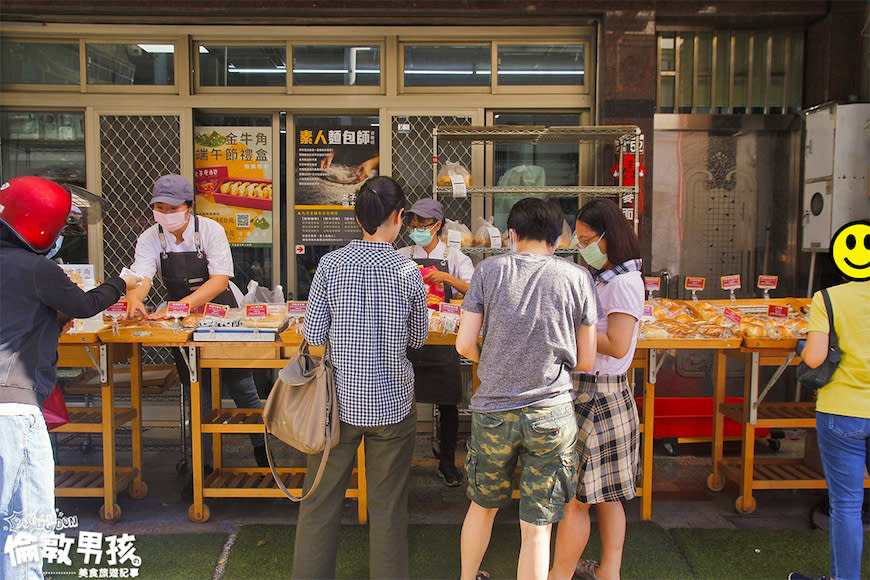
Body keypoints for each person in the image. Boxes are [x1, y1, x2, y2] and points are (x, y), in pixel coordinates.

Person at [0, 176, 141, 580]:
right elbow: (83, 304)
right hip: (13, 413)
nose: (62, 236)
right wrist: (122, 282)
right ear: (38, 225)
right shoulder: (35, 269)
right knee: (24, 529)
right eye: (61, 228)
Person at [292, 176, 429, 579]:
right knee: (388, 505)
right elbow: (418, 338)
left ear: (356, 217)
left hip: (336, 404)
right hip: (392, 403)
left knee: (319, 500)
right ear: (400, 217)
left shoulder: (331, 265)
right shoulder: (408, 271)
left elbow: (314, 335)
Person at [455, 197, 598, 580]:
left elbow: (464, 344)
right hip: (551, 413)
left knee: (482, 507)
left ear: (512, 235)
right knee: (537, 526)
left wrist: (494, 362)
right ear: (558, 238)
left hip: (493, 412)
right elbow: (587, 360)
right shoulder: (578, 277)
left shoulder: (489, 271)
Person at [124, 174, 267, 482]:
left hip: (221, 312)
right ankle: (201, 465)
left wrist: (182, 306)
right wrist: (135, 300)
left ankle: (261, 447)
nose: (164, 213)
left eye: (172, 207)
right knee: (196, 388)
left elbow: (219, 280)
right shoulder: (150, 238)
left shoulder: (210, 230)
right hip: (183, 323)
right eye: (159, 206)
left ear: (188, 206)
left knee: (241, 384)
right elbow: (141, 277)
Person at [549, 198, 644, 580]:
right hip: (598, 392)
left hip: (598, 394)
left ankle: (559, 575)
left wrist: (571, 330)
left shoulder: (623, 283)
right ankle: (609, 572)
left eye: (588, 238)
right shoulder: (606, 277)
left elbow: (618, 343)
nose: (582, 245)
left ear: (609, 237)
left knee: (576, 501)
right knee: (605, 497)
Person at [789, 276, 870, 580]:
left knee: (847, 505)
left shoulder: (829, 298)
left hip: (842, 409)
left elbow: (815, 356)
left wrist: (801, 345)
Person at [398, 198, 474, 486]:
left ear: (438, 225)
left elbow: (474, 290)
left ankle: (447, 462)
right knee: (404, 401)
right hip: (409, 337)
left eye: (422, 224)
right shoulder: (403, 255)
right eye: (413, 223)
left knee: (448, 402)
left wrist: (448, 279)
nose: (416, 228)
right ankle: (400, 463)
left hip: (443, 339)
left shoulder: (456, 258)